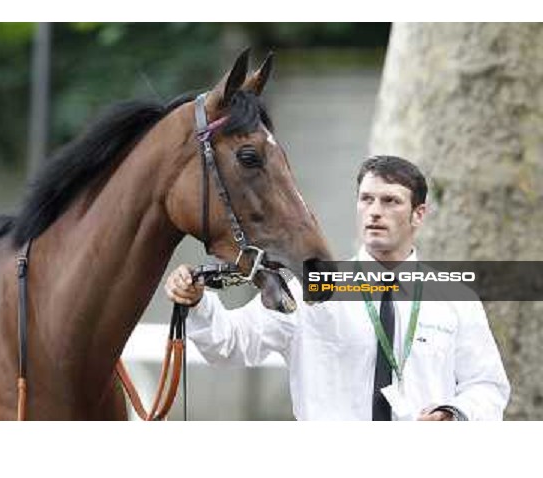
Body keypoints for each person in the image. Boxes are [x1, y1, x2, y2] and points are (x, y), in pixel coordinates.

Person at [165, 155, 510, 421]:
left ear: (418, 215)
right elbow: (232, 344)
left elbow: (488, 386)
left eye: (390, 201)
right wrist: (198, 304)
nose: (375, 212)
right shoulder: (307, 285)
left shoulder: (455, 299)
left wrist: (454, 414)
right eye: (366, 199)